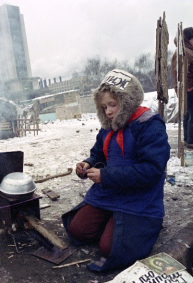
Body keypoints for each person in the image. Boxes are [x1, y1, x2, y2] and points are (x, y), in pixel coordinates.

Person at [61, 69, 170, 272]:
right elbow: (99, 155)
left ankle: (130, 226)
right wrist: (87, 163)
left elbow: (151, 171)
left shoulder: (149, 126)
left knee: (109, 248)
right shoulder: (109, 127)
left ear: (127, 100)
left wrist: (106, 175)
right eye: (104, 107)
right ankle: (112, 221)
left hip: (138, 197)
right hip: (110, 192)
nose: (108, 111)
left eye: (113, 104)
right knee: (77, 231)